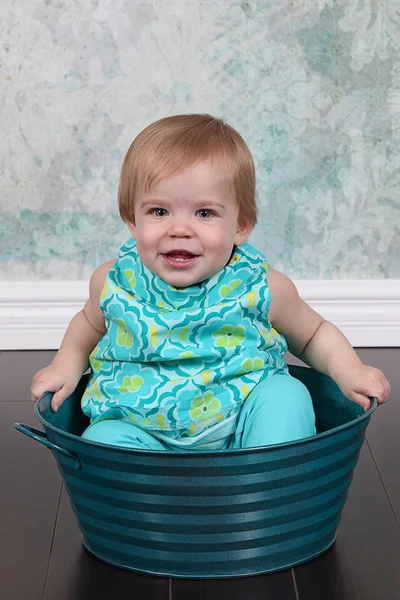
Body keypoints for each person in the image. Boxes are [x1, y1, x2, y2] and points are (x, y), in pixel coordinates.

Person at [31, 114, 390, 451]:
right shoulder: (113, 283)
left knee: (286, 395)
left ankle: (262, 489)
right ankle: (152, 505)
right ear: (132, 220)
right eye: (159, 212)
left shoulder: (260, 286)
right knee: (102, 438)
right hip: (141, 431)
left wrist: (349, 370)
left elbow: (314, 335)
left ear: (240, 226)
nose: (180, 229)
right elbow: (88, 325)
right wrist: (66, 364)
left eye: (204, 213)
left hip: (241, 429)